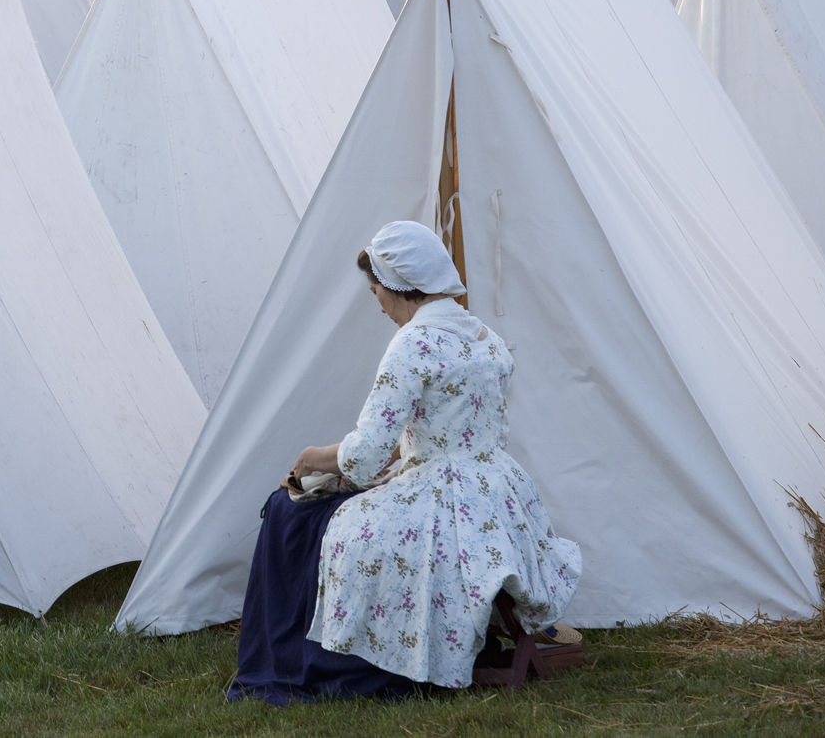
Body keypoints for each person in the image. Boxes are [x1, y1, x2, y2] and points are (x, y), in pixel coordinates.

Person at [228, 221, 582, 704]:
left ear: (396, 285)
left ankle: (311, 656)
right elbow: (449, 424)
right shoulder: (486, 338)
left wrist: (314, 457)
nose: (375, 302)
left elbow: (364, 454)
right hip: (497, 490)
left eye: (375, 289)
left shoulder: (412, 344)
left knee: (298, 513)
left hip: (441, 493)